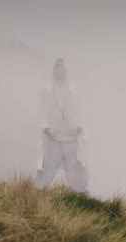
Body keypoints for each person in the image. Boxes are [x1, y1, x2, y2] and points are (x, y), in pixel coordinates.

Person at [36, 58, 89, 194]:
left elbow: (81, 109)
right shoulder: (46, 89)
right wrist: (47, 128)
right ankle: (40, 193)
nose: (59, 71)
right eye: (57, 68)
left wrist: (78, 127)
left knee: (73, 168)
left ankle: (79, 194)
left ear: (65, 71)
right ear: (53, 71)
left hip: (70, 136)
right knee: (48, 167)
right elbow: (41, 110)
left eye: (62, 68)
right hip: (52, 136)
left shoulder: (74, 89)